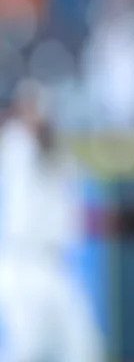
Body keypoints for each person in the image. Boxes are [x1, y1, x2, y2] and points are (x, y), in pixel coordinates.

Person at [0, 80, 105, 362]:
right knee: (26, 349)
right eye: (29, 108)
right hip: (22, 264)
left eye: (39, 108)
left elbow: (74, 210)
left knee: (84, 348)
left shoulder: (59, 152)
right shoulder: (15, 143)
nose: (35, 115)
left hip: (57, 265)